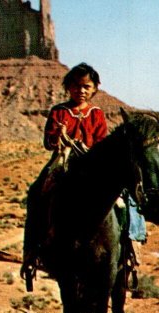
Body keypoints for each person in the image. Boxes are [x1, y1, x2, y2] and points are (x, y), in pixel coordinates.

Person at [21, 62, 109, 288]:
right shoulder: (58, 111)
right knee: (36, 192)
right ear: (68, 87)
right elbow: (48, 143)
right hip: (62, 161)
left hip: (92, 164)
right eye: (76, 86)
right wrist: (58, 137)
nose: (81, 90)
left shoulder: (97, 114)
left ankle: (130, 251)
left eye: (86, 86)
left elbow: (101, 142)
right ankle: (31, 252)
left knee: (123, 195)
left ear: (95, 88)